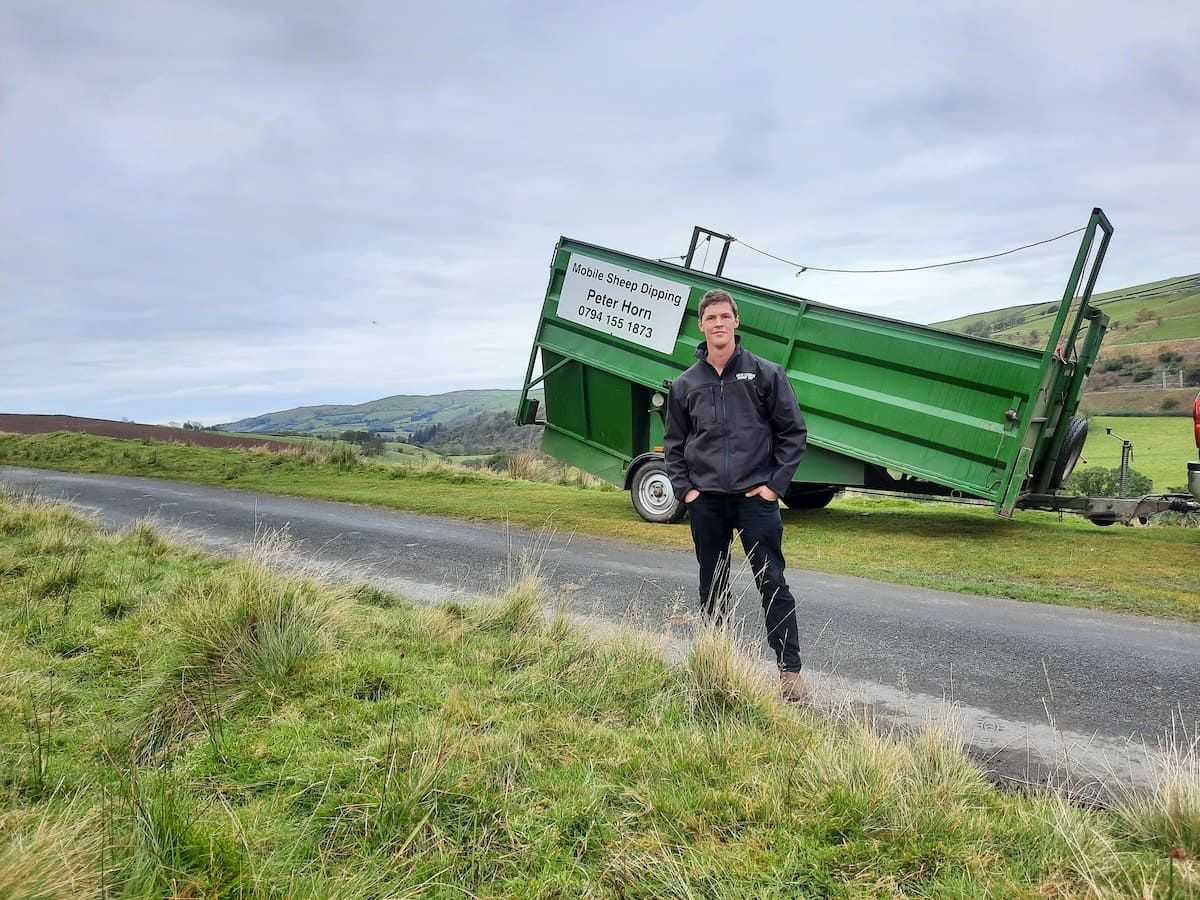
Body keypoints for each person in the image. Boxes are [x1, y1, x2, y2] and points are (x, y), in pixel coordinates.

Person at [663, 288, 809, 701]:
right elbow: (674, 444)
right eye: (711, 318)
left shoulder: (765, 374)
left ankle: (789, 671)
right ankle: (715, 661)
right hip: (706, 502)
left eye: (725, 316)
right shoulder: (686, 384)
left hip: (754, 501)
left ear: (736, 322)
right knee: (713, 584)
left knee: (773, 583)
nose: (719, 324)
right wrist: (686, 492)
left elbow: (793, 434)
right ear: (701, 325)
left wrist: (773, 487)